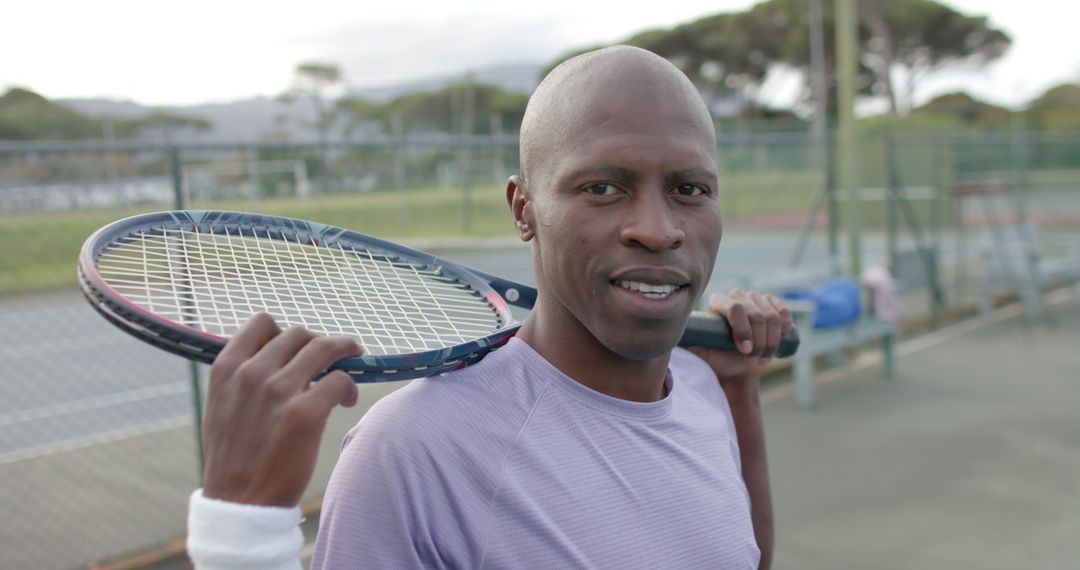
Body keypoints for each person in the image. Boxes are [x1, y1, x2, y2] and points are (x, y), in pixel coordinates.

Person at [186, 45, 793, 570]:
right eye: (602, 188)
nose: (658, 230)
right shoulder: (411, 448)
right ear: (523, 208)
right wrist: (239, 537)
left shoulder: (703, 386)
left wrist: (739, 391)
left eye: (690, 189)